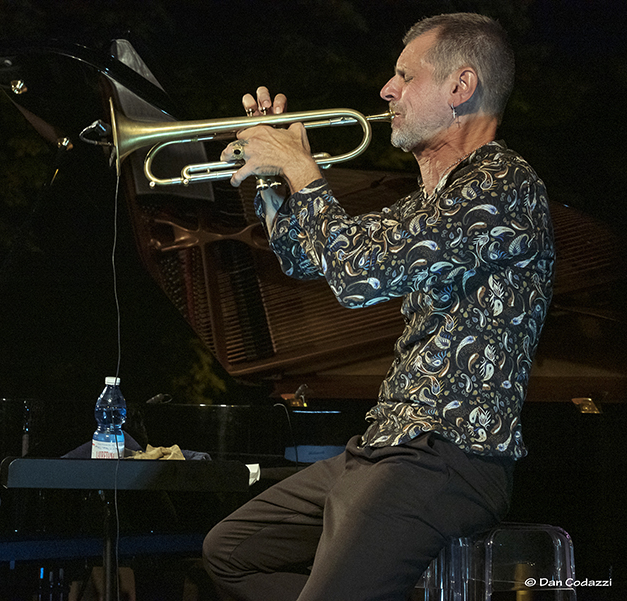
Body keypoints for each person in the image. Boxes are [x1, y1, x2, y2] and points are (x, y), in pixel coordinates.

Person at [202, 13, 555, 601]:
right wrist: (268, 178)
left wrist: (299, 166)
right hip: (384, 448)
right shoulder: (427, 205)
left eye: (403, 76)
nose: (387, 90)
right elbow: (307, 257)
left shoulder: (501, 186)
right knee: (231, 552)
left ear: (459, 88)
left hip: (446, 456)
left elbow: (357, 277)